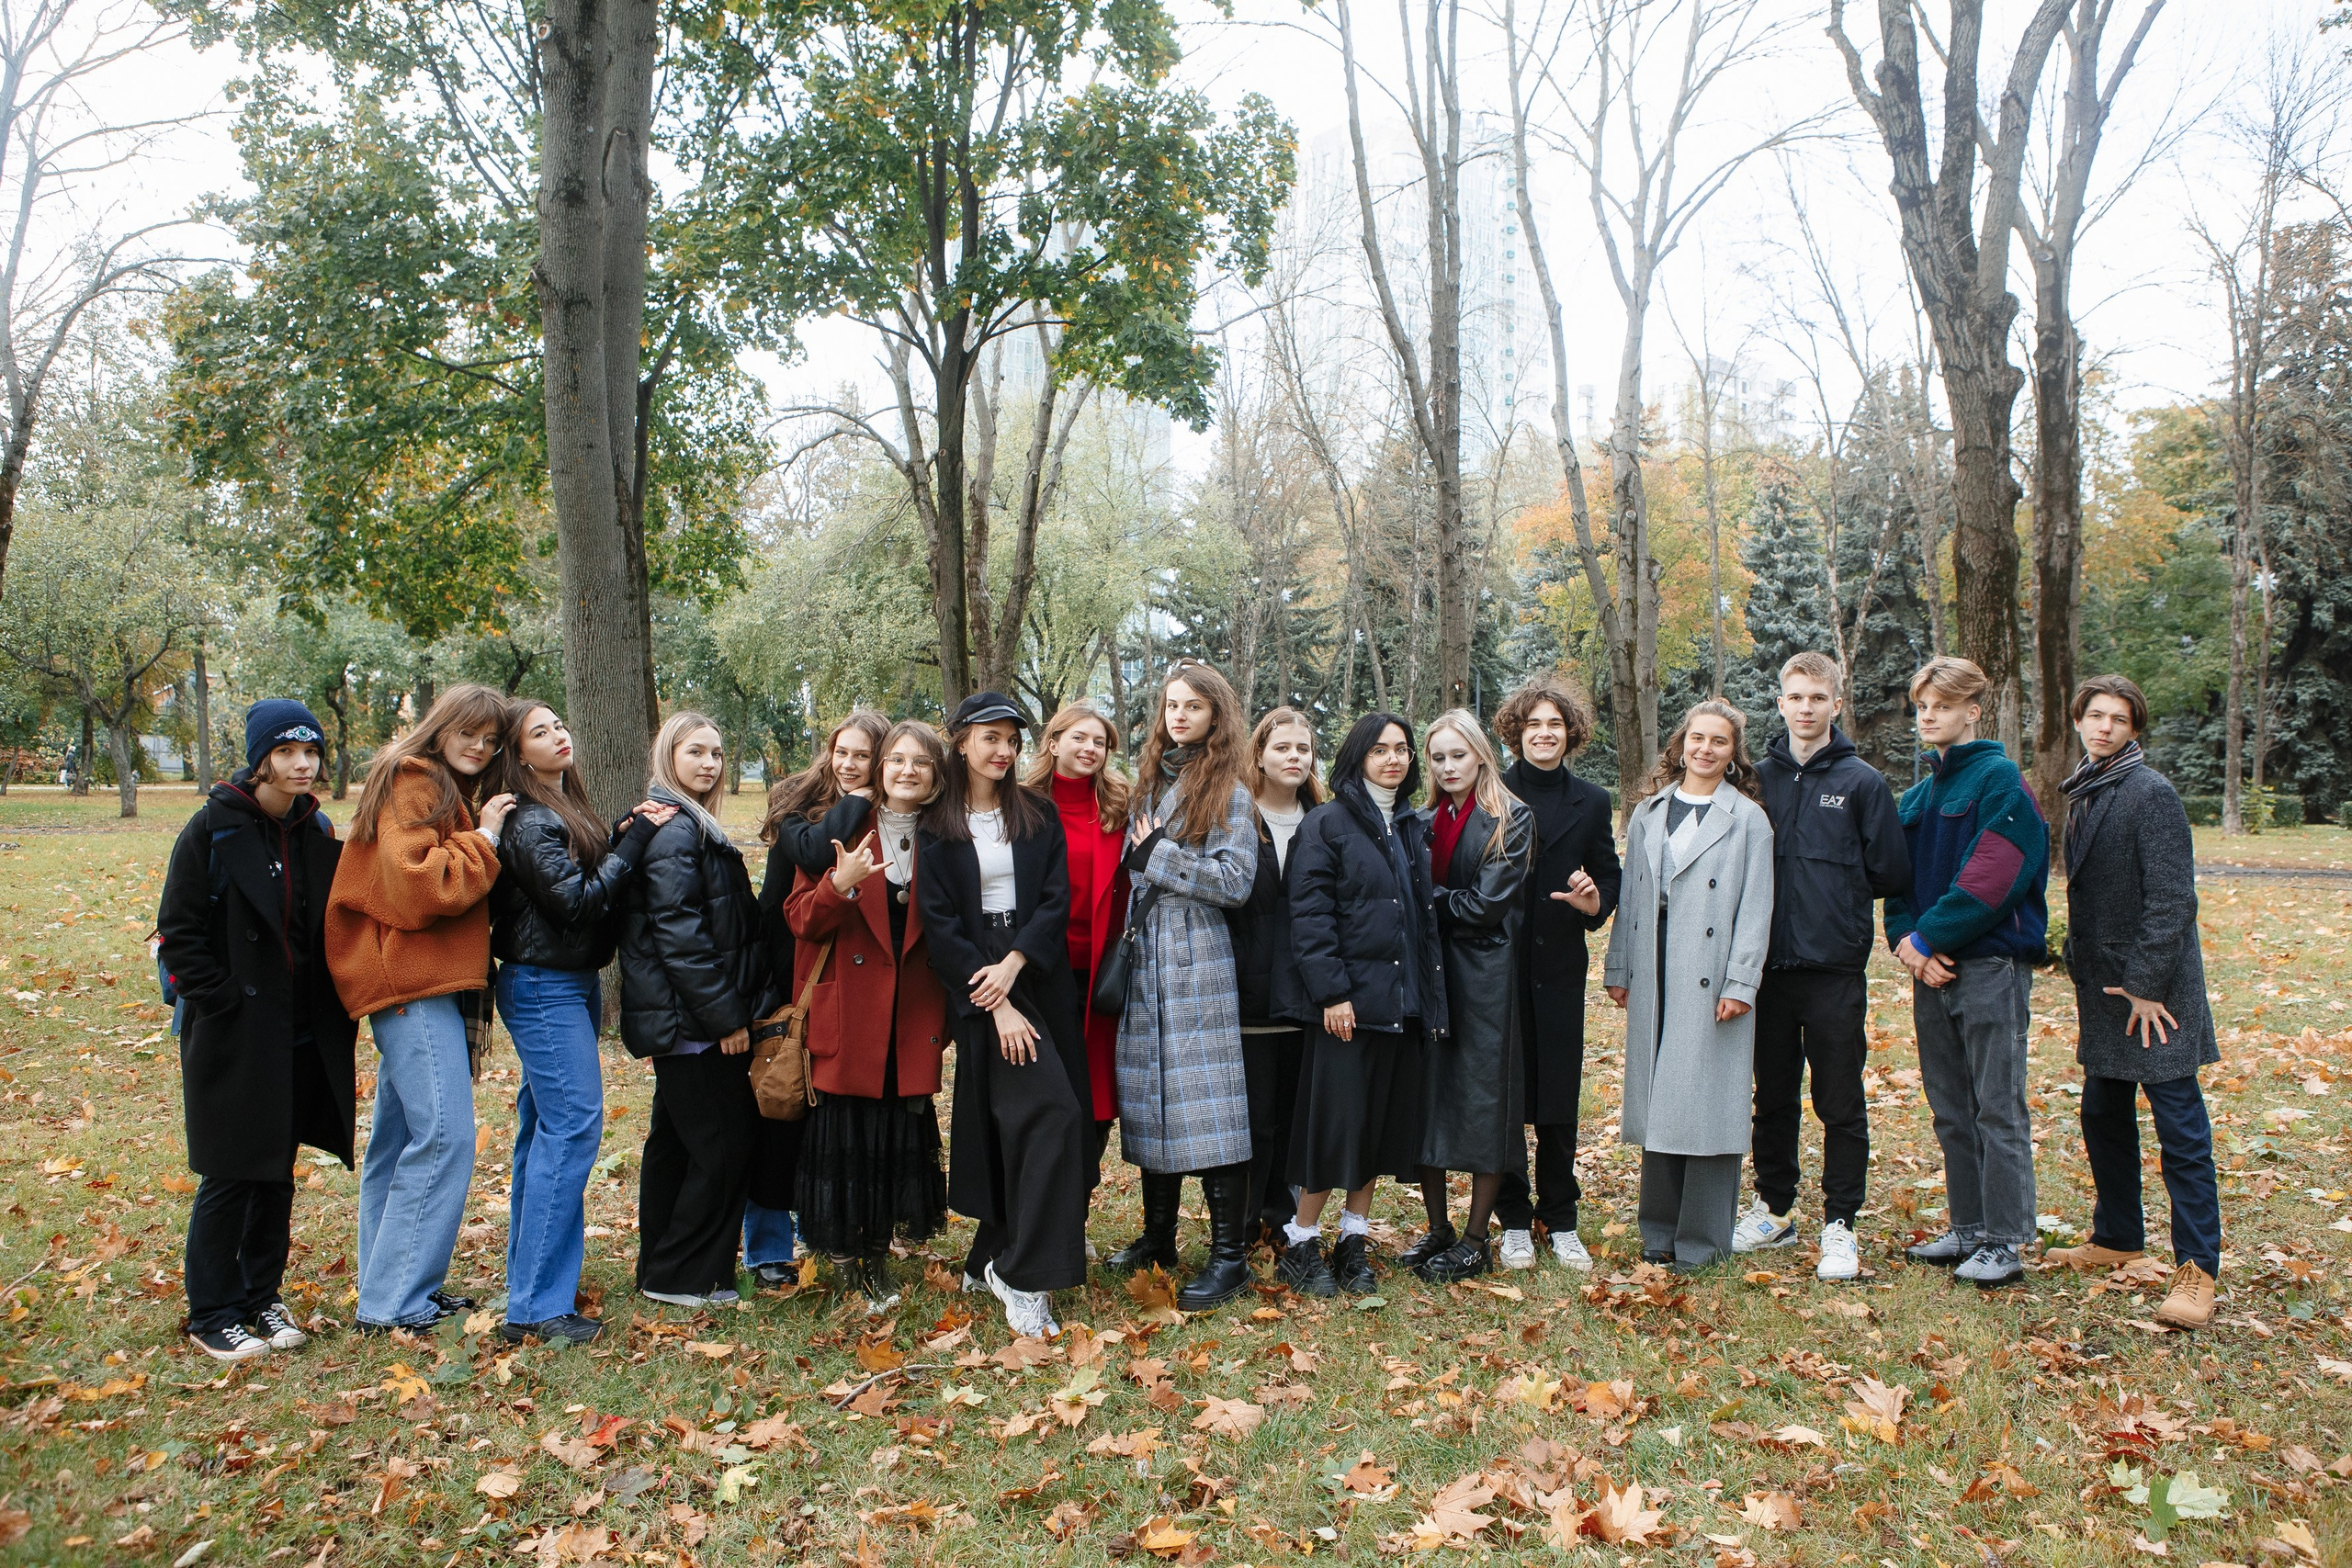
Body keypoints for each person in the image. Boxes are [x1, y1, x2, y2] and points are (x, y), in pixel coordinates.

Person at [157, 700, 359, 1359]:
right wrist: (222, 1000)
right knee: (230, 1170)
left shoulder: (314, 828)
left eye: (312, 752)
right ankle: (213, 1310)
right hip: (237, 1030)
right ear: (262, 757)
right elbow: (178, 932)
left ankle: (260, 1295)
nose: (303, 764)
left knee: (276, 1169)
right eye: (288, 752)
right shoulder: (212, 829)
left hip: (301, 1030)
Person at [487, 702, 675, 1344]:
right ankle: (537, 1307)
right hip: (543, 985)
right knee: (571, 1128)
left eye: (560, 725)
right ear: (517, 752)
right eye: (539, 732)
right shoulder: (528, 818)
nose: (559, 735)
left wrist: (622, 828)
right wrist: (637, 841)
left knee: (544, 1129)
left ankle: (531, 1282)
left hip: (569, 981)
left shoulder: (560, 810)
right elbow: (576, 904)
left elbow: (584, 872)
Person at [2041, 676, 2221, 1329]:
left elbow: (2174, 898)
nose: (2105, 726)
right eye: (2095, 715)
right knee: (2102, 1111)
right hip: (2107, 990)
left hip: (2156, 992)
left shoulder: (2151, 793)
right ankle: (2118, 1233)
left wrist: (2145, 983)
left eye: (2118, 718)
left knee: (2181, 1128)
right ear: (2080, 721)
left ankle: (2198, 1271)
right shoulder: (2088, 788)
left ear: (2134, 727)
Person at [915, 692, 1091, 1338]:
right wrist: (996, 1005)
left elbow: (1054, 899)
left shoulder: (1036, 813)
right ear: (961, 742)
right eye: (990, 737)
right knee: (1041, 1114)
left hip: (1034, 972)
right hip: (976, 978)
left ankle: (992, 1253)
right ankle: (1022, 1272)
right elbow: (939, 924)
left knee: (1035, 1113)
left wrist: (1015, 971)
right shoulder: (936, 824)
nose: (1003, 750)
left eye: (1012, 739)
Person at [1733, 653, 1911, 1282]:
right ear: (1778, 703)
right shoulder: (1756, 780)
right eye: (1794, 696)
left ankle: (1840, 1223)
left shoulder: (1861, 783)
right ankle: (1774, 1209)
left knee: (1839, 1100)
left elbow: (1890, 869)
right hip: (1767, 971)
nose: (1805, 707)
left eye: (1817, 697)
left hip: (1834, 970)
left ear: (1837, 704)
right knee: (1772, 1097)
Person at [1884, 657, 2050, 1291]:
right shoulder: (1919, 795)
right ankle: (1971, 1226)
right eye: (1922, 704)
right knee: (1951, 1106)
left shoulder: (2001, 781)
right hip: (1930, 970)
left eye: (1942, 704)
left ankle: (2006, 1238)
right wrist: (1907, 943)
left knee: (1995, 1106)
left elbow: (1994, 877)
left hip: (1990, 967)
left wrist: (1930, 935)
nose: (1928, 714)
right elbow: (1896, 883)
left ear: (1972, 710)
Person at [1105, 662, 1261, 1310]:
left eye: (1193, 706)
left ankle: (1229, 1256)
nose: (1179, 715)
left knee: (1210, 1101)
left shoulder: (1230, 792)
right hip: (1146, 955)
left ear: (1216, 715)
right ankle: (1158, 1235)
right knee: (1152, 1094)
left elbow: (1236, 882)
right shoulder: (1146, 787)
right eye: (1171, 704)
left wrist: (1158, 858)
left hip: (1198, 955)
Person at [1277, 712, 1446, 1297]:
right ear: (1358, 758)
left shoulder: (1409, 826)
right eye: (1381, 751)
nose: (1394, 760)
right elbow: (1310, 916)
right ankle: (1299, 1244)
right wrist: (1332, 992)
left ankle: (1352, 1238)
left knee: (1374, 1128)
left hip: (1399, 1003)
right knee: (1336, 1127)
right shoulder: (1328, 823)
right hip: (1346, 1005)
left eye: (1402, 750)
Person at [786, 720, 953, 1314]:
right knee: (848, 1132)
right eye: (897, 760)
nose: (908, 771)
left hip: (912, 1014)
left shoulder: (945, 837)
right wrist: (840, 883)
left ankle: (876, 1255)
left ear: (936, 776)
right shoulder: (845, 825)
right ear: (881, 769)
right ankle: (843, 1256)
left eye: (921, 763)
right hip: (851, 1010)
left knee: (893, 1133)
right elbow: (801, 919)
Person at [1603, 700, 1775, 1274]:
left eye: (1719, 742)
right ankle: (1658, 1232)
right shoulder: (1650, 811)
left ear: (1733, 754)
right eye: (1696, 738)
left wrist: (1741, 981)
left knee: (1707, 1105)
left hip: (1713, 978)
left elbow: (1756, 907)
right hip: (1655, 970)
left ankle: (1702, 1240)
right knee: (1661, 1103)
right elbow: (1632, 899)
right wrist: (1620, 968)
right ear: (1680, 745)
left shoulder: (1747, 819)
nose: (1705, 749)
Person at [620, 713, 779, 1308]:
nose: (710, 763)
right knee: (723, 1145)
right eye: (696, 752)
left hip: (688, 1022)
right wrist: (727, 1019)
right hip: (696, 1026)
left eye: (717, 752)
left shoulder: (683, 822)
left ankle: (661, 1265)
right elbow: (680, 938)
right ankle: (684, 1275)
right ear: (669, 755)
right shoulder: (674, 831)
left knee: (677, 1145)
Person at [746, 712, 888, 1286]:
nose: (849, 764)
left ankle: (820, 1229)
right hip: (782, 972)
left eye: (863, 757)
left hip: (831, 976)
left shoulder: (882, 817)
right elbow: (810, 856)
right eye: (842, 752)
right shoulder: (798, 807)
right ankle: (766, 1246)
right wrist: (858, 797)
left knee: (816, 1116)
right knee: (777, 1107)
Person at [1489, 678, 1620, 1271]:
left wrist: (1595, 901)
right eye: (1534, 724)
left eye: (1555, 725)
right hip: (1500, 967)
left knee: (1560, 1097)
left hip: (1562, 967)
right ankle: (1514, 1218)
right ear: (1517, 731)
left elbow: (1609, 876)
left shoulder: (1591, 800)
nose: (1545, 733)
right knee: (1510, 1094)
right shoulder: (1493, 791)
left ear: (1571, 733)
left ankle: (1560, 1217)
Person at [1404, 711, 1536, 1283]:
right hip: (1428, 973)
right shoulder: (1421, 819)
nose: (1448, 766)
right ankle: (1438, 1228)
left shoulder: (1511, 818)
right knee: (1427, 1093)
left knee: (1485, 1098)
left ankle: (1478, 1236)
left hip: (1483, 975)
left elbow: (1485, 907)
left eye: (1459, 755)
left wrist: (1421, 900)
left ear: (1481, 755)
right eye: (1437, 757)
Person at [1025, 705, 1132, 1184]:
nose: (1091, 749)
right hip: (1038, 968)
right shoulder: (1022, 804)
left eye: (1101, 742)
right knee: (1045, 1088)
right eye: (1080, 738)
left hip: (1101, 973)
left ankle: (1078, 1211)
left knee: (1095, 1094)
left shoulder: (1118, 806)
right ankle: (1037, 1213)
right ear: (1053, 743)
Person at [1231, 706, 1320, 1236]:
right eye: (1282, 747)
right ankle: (1242, 1225)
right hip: (1250, 991)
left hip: (1310, 996)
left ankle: (1283, 1220)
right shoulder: (1237, 816)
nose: (1294, 757)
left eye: (1303, 749)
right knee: (1255, 1119)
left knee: (1293, 1116)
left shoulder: (1324, 819)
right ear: (1259, 756)